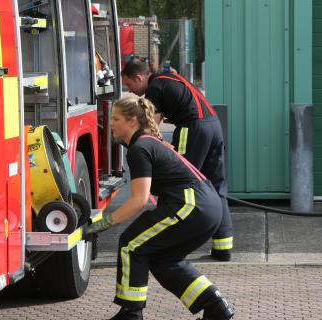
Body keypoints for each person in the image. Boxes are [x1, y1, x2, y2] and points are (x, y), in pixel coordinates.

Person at [82, 97, 234, 320]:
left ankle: (131, 314)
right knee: (164, 260)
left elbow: (139, 200)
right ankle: (215, 306)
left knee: (131, 244)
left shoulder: (140, 147)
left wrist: (100, 225)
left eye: (116, 119)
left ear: (132, 121)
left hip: (191, 205)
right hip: (205, 207)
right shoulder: (148, 142)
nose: (111, 123)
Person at [120, 59, 233, 262]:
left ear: (139, 78)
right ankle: (223, 247)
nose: (131, 91)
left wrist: (129, 140)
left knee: (176, 184)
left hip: (192, 129)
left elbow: (150, 129)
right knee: (216, 185)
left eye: (129, 85)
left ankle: (168, 242)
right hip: (214, 126)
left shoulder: (155, 88)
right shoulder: (170, 77)